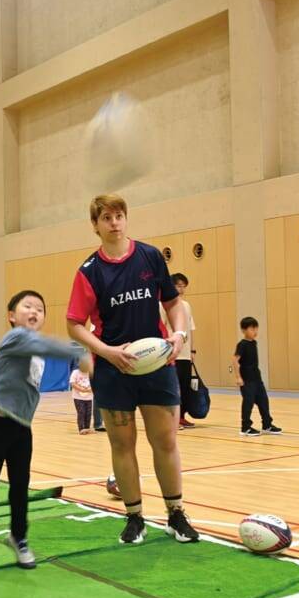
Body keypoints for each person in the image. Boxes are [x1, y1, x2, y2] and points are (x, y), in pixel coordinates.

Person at [66, 193, 199, 545]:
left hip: (156, 367)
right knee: (122, 444)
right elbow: (75, 325)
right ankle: (134, 517)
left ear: (126, 219)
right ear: (95, 225)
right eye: (106, 217)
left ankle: (175, 513)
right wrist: (107, 352)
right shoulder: (88, 272)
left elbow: (173, 303)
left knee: (166, 440)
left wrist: (179, 333)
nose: (114, 222)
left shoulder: (150, 256)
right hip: (113, 370)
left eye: (119, 215)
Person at [0, 290, 92, 573]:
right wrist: (80, 352)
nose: (35, 311)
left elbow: (7, 379)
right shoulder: (16, 338)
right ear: (12, 316)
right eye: (27, 306)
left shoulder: (35, 352)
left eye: (40, 308)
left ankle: (18, 537)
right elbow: (48, 346)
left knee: (20, 487)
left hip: (21, 427)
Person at [233, 317, 282, 436]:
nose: (255, 331)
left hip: (257, 378)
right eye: (251, 329)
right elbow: (235, 360)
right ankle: (245, 427)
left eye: (256, 328)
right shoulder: (242, 344)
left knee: (263, 401)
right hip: (247, 380)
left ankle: (267, 425)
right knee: (248, 403)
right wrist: (238, 377)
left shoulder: (254, 343)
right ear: (244, 330)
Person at [162, 273, 197, 428]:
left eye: (183, 286)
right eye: (178, 285)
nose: (181, 289)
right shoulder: (163, 305)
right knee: (173, 387)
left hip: (185, 354)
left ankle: (181, 416)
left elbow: (191, 329)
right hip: (171, 353)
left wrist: (192, 351)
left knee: (184, 386)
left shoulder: (187, 305)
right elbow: (161, 327)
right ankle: (172, 419)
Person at [69, 360, 94, 434]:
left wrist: (90, 389)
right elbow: (72, 383)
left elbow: (94, 383)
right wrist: (81, 389)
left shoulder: (91, 373)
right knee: (81, 412)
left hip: (89, 397)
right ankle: (81, 429)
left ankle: (87, 428)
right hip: (78, 397)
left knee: (88, 413)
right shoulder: (75, 372)